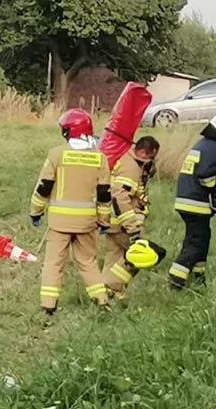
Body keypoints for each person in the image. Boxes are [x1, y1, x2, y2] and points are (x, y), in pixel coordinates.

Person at [29, 109, 112, 314]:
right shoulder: (100, 159)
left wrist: (36, 211)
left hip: (59, 223)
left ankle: (48, 306)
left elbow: (44, 187)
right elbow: (104, 195)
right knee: (89, 263)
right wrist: (104, 221)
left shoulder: (57, 154)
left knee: (54, 264)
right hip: (87, 223)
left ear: (69, 132)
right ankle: (101, 300)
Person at [102, 136, 160, 299]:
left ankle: (104, 295)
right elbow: (120, 198)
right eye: (150, 157)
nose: (151, 161)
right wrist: (133, 228)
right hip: (122, 223)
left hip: (111, 221)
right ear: (141, 152)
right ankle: (111, 288)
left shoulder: (128, 160)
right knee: (139, 255)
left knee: (113, 257)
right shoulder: (131, 168)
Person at [169, 116, 216, 289]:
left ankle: (198, 276)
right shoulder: (213, 148)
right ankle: (176, 278)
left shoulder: (205, 145)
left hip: (188, 200)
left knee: (202, 238)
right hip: (196, 202)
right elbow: (206, 176)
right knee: (196, 242)